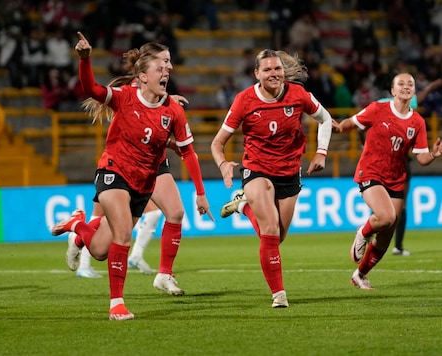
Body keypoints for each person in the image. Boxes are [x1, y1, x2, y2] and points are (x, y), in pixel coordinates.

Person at [51, 32, 212, 320]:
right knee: (124, 233)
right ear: (142, 76)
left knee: (100, 249)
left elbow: (188, 153)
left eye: (168, 67)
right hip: (114, 171)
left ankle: (77, 226)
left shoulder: (173, 110)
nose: (168, 71)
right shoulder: (125, 98)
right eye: (161, 67)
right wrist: (85, 59)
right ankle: (117, 304)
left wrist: (200, 192)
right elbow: (91, 89)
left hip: (143, 182)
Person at [211, 49, 334, 308]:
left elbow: (325, 119)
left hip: (289, 171)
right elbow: (217, 143)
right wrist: (223, 164)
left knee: (278, 238)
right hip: (257, 169)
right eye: (267, 70)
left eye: (277, 69)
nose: (273, 74)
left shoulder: (298, 94)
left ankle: (244, 206)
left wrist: (321, 152)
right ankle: (279, 294)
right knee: (269, 230)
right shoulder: (244, 100)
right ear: (256, 74)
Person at [334, 72, 442, 290]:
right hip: (371, 172)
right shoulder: (377, 109)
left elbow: (421, 158)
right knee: (386, 216)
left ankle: (360, 275)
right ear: (392, 91)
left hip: (396, 178)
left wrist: (433, 154)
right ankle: (362, 232)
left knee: (385, 236)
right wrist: (337, 127)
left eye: (410, 84)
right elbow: (352, 123)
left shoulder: (418, 122)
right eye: (400, 84)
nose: (406, 87)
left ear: (413, 91)